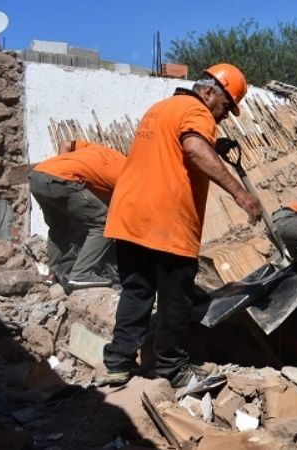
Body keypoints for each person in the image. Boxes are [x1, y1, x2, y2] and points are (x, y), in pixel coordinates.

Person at [100, 63, 262, 388]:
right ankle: (172, 369)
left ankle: (118, 364)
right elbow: (192, 148)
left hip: (131, 216)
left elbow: (173, 146)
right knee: (176, 298)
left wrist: (214, 145)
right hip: (167, 222)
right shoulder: (196, 110)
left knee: (137, 291)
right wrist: (241, 195)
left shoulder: (161, 108)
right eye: (226, 107)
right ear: (208, 92)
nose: (224, 116)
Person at [29, 139, 126, 290]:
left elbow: (65, 144)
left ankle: (58, 273)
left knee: (59, 226)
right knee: (105, 222)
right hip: (62, 180)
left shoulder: (100, 151)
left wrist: (58, 169)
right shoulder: (128, 178)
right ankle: (82, 274)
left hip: (38, 175)